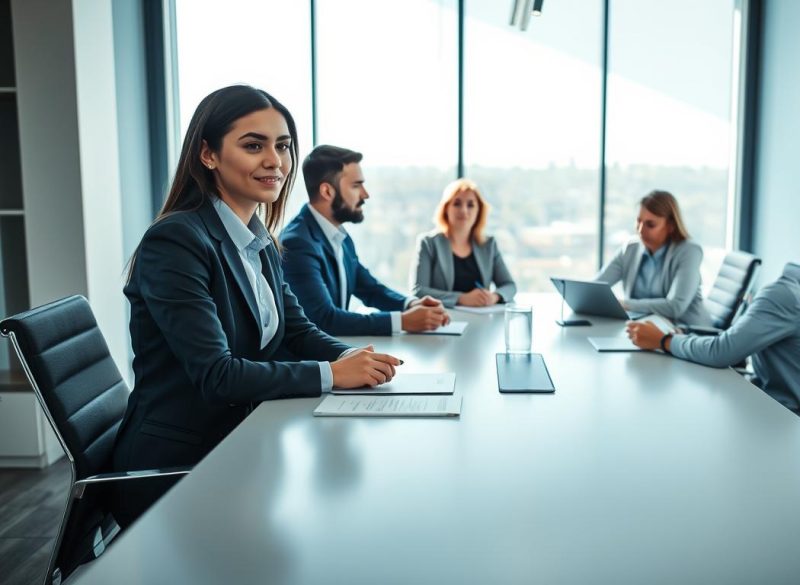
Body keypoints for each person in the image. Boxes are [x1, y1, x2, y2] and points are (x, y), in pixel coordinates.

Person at [112, 86, 402, 527]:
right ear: (208, 154)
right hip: (180, 463)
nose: (276, 161)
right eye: (254, 145)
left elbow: (296, 329)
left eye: (282, 146)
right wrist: (332, 375)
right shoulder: (176, 242)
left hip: (243, 440)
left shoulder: (259, 238)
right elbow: (217, 375)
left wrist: (346, 356)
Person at [281, 146, 449, 335]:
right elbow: (323, 319)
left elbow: (368, 288)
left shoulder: (339, 235)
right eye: (356, 185)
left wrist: (410, 303)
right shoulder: (297, 243)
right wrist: (402, 321)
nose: (365, 194)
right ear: (327, 191)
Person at [625, 274, 800, 423]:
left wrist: (664, 341)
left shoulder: (777, 297)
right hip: (771, 410)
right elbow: (729, 341)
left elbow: (722, 351)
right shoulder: (780, 294)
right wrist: (679, 337)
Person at [595, 190, 711, 324]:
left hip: (687, 333)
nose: (640, 230)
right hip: (644, 328)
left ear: (671, 226)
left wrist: (625, 304)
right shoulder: (630, 249)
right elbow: (597, 287)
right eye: (638, 221)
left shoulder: (689, 251)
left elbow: (675, 307)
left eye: (650, 225)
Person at [410, 179, 517, 308]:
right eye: (457, 204)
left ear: (479, 211)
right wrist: (461, 298)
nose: (464, 210)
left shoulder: (489, 245)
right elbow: (418, 290)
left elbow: (509, 286)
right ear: (446, 208)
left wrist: (494, 297)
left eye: (471, 205)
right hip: (442, 320)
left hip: (483, 319)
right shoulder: (428, 243)